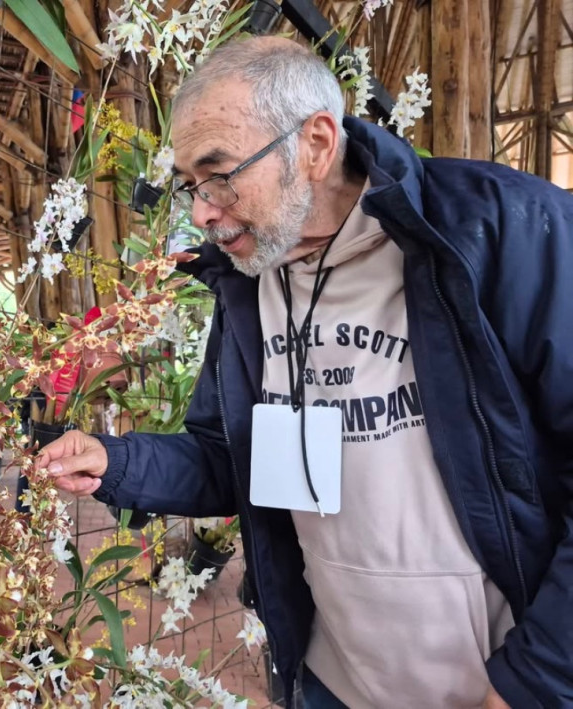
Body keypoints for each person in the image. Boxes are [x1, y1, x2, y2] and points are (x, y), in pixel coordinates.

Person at [38, 35, 573, 709]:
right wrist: (113, 461)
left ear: (316, 144)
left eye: (219, 172)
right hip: (331, 681)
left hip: (492, 686)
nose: (202, 211)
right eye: (189, 187)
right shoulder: (251, 284)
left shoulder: (496, 228)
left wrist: (536, 681)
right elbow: (227, 457)